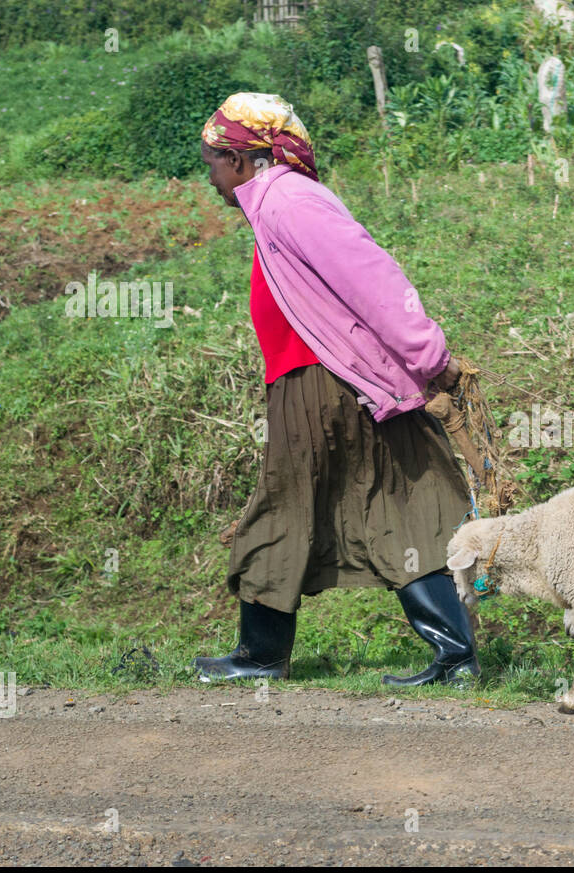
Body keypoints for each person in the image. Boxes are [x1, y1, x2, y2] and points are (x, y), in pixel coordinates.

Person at [193, 91, 479, 687]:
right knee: (396, 505)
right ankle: (455, 657)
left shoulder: (290, 202)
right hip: (318, 382)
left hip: (327, 384)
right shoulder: (275, 202)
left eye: (213, 165)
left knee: (288, 505)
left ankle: (262, 655)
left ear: (241, 159)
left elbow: (373, 278)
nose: (212, 180)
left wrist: (431, 358)